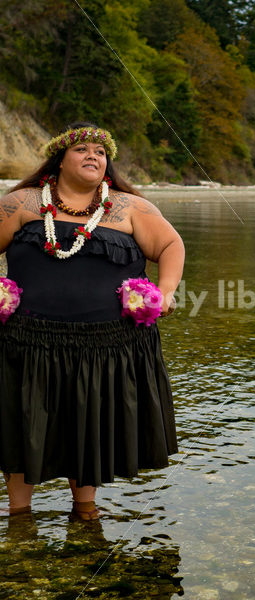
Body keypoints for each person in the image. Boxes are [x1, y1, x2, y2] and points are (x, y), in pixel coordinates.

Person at [0, 121, 184, 521]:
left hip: (105, 346)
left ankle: (84, 510)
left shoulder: (130, 208)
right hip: (28, 341)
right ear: (60, 159)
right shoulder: (23, 204)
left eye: (101, 152)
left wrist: (166, 292)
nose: (93, 156)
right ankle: (19, 515)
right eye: (82, 149)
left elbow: (171, 244)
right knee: (22, 423)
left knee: (89, 424)